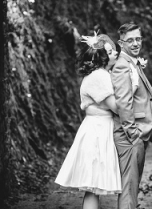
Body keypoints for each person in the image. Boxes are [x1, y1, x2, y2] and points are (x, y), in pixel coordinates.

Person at [55, 32, 122, 209]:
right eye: (109, 51)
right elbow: (116, 107)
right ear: (101, 57)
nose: (115, 53)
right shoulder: (99, 76)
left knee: (93, 187)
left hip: (99, 128)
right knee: (93, 184)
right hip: (97, 132)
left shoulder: (101, 74)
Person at [112, 22, 152, 209]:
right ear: (121, 43)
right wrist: (134, 134)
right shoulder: (122, 66)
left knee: (133, 186)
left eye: (138, 39)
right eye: (130, 40)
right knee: (129, 187)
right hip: (131, 135)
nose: (135, 44)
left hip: (139, 131)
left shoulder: (133, 63)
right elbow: (123, 103)